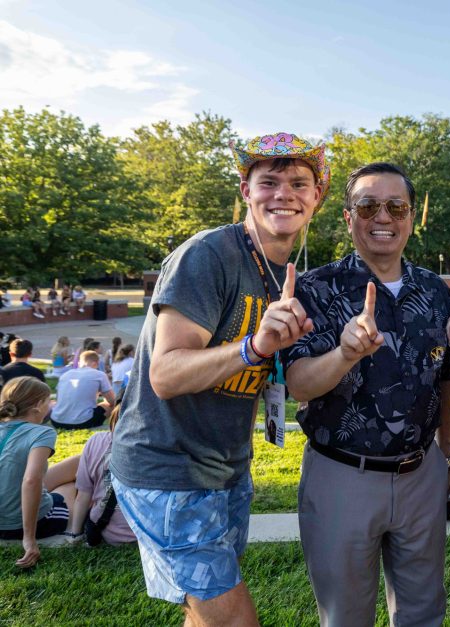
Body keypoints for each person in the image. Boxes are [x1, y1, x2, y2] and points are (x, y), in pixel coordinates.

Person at [110, 132, 329, 626]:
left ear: (317, 197)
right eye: (267, 182)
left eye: (299, 183)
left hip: (225, 469)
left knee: (203, 610)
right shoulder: (208, 255)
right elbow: (164, 373)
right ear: (245, 191)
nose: (284, 194)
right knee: (232, 618)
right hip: (167, 468)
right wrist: (255, 347)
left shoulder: (280, 271)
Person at [285, 162, 450, 627]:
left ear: (411, 216)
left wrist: (445, 455)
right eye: (368, 205)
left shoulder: (435, 291)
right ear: (347, 217)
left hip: (422, 475)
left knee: (424, 613)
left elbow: (445, 380)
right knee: (346, 617)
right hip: (343, 475)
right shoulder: (315, 288)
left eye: (396, 206)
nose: (383, 217)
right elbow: (298, 383)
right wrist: (344, 353)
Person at [0, 378, 76, 568]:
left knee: (77, 463)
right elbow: (31, 481)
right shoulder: (42, 433)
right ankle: (74, 531)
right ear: (37, 405)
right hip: (19, 526)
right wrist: (29, 539)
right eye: (48, 400)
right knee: (70, 486)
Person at [64, 402, 136, 546]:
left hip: (107, 531)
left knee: (70, 488)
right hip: (149, 537)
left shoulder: (96, 440)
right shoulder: (163, 446)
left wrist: (76, 534)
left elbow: (83, 495)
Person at [50, 351, 114, 430]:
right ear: (96, 363)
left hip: (56, 421)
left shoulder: (65, 375)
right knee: (110, 405)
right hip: (83, 422)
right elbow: (112, 401)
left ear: (80, 363)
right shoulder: (99, 375)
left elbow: (58, 398)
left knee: (53, 402)